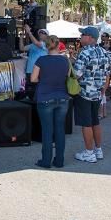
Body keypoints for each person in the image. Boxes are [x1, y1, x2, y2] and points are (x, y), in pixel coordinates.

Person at [73, 26, 111, 163]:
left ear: (90, 37)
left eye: (83, 34)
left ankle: (89, 153)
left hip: (84, 92)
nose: (81, 37)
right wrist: (104, 90)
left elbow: (76, 74)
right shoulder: (104, 52)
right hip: (98, 92)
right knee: (95, 121)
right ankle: (98, 149)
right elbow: (108, 74)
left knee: (86, 123)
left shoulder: (84, 53)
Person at [30, 35, 70, 168]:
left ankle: (46, 160)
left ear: (46, 46)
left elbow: (33, 79)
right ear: (59, 45)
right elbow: (67, 77)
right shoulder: (65, 61)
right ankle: (59, 160)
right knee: (60, 130)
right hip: (63, 97)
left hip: (45, 97)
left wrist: (44, 80)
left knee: (47, 131)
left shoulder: (41, 60)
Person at [19, 25, 48, 99]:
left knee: (37, 90)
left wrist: (28, 32)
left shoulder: (46, 45)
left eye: (43, 32)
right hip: (29, 70)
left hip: (40, 71)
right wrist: (21, 37)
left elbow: (37, 43)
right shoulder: (33, 45)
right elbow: (22, 48)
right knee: (30, 90)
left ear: (47, 36)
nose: (41, 33)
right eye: (40, 32)